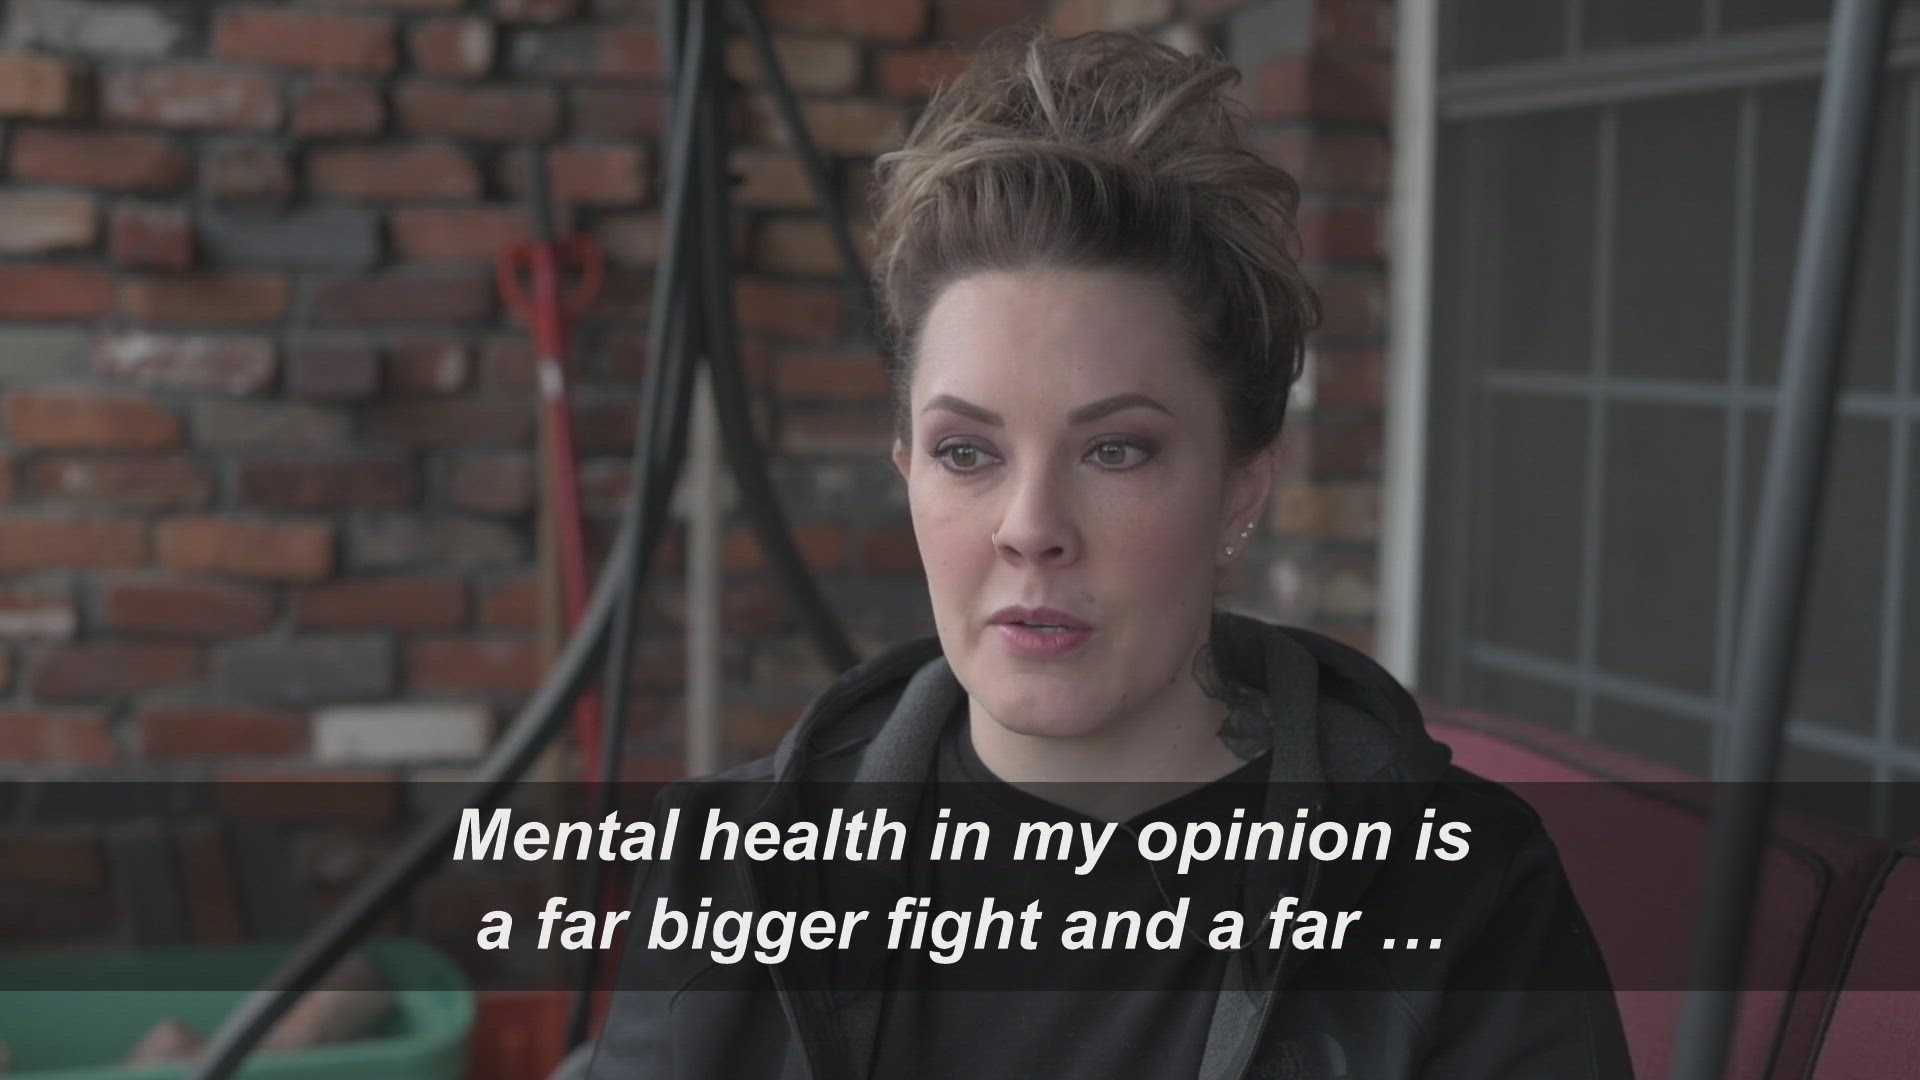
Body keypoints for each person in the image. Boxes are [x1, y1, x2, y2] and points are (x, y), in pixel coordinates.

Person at [591, 29, 1632, 1079]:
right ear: (907, 470)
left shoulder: (1458, 893)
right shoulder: (730, 872)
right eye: (967, 451)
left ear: (1241, 486)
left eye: (1116, 450)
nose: (1030, 525)